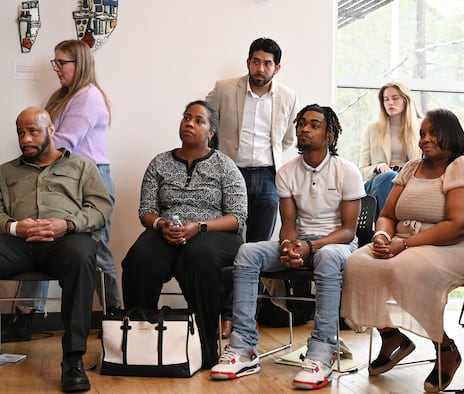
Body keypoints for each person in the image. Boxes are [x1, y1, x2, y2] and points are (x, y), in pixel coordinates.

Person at [341, 108, 464, 393]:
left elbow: (459, 226)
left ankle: (446, 348)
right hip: (403, 242)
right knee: (358, 263)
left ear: (450, 134)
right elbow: (388, 213)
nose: (425, 139)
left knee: (406, 267)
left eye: (433, 133)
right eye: (422, 133)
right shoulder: (412, 167)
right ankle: (392, 337)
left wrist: (403, 244)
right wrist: (381, 234)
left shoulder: (463, 166)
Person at [210, 104, 365, 390]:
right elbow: (289, 222)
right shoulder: (286, 172)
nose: (304, 129)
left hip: (337, 247)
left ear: (330, 134)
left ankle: (322, 352)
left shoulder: (348, 171)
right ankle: (244, 349)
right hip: (301, 244)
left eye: (314, 125)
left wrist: (310, 246)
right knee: (248, 251)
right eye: (301, 124)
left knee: (328, 256)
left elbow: (347, 231)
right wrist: (287, 246)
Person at [2, 39, 120, 343]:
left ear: (79, 64)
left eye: (61, 63)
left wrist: (36, 155)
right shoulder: (61, 97)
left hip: (86, 178)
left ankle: (115, 316)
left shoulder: (88, 97)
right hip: (52, 176)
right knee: (38, 235)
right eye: (55, 62)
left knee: (98, 254)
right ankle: (25, 317)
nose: (56, 68)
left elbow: (63, 141)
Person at [121, 100, 247, 369]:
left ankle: (203, 347)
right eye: (186, 118)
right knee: (139, 259)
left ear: (211, 131)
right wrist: (160, 225)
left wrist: (199, 227)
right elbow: (146, 211)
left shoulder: (226, 166)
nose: (189, 123)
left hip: (213, 232)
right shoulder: (159, 163)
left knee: (198, 258)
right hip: (168, 230)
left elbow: (237, 218)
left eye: (198, 120)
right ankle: (140, 344)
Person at [0, 106, 112, 392]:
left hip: (66, 239)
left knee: (81, 257)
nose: (25, 139)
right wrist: (14, 227)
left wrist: (68, 224)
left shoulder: (82, 167)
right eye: (20, 132)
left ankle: (73, 359)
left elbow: (101, 207)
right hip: (18, 241)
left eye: (33, 131)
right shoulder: (6, 171)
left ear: (51, 130)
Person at [205, 37, 299, 337]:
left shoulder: (288, 96)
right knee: (230, 247)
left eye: (267, 63)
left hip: (269, 178)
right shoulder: (224, 88)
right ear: (248, 62)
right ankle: (226, 315)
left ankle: (250, 314)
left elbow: (286, 139)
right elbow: (206, 124)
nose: (261, 68)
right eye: (256, 61)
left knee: (258, 248)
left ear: (277, 67)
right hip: (231, 176)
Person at [359, 81, 420, 216]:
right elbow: (362, 170)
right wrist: (379, 167)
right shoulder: (372, 129)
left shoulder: (420, 128)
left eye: (395, 98)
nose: (390, 103)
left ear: (405, 100)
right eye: (386, 99)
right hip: (378, 182)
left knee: (399, 182)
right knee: (389, 177)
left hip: (407, 182)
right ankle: (384, 225)